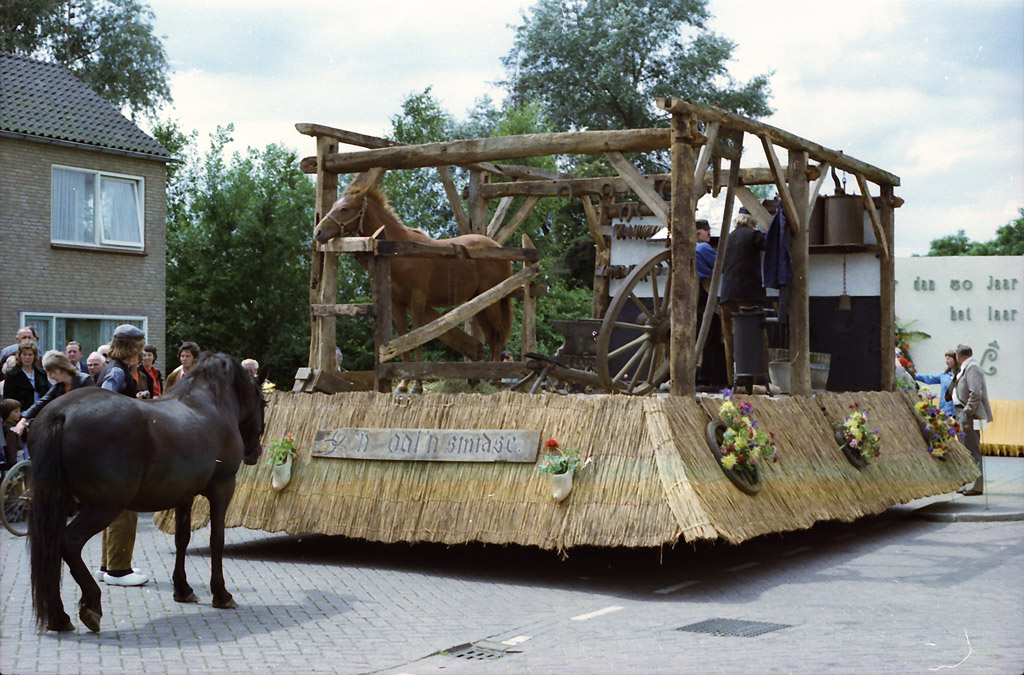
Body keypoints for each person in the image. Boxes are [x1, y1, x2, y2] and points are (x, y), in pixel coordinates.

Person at [94, 325, 151, 587]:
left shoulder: (118, 368)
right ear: (132, 348)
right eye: (140, 348)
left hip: (110, 450)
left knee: (113, 508)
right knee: (126, 508)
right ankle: (119, 570)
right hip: (118, 450)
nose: (142, 354)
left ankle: (108, 565)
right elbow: (106, 400)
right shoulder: (116, 371)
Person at [718, 207, 766, 387]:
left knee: (731, 340)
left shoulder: (728, 238)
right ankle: (758, 380)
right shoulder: (754, 235)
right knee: (756, 336)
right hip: (749, 295)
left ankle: (735, 382)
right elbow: (771, 244)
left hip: (727, 295)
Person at [948, 344, 994, 496]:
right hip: (962, 412)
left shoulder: (972, 367)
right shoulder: (966, 367)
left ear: (958, 355)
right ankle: (968, 482)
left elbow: (975, 393)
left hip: (968, 414)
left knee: (972, 449)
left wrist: (967, 411)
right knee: (965, 449)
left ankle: (976, 485)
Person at [12, 352, 94, 435]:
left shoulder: (85, 380)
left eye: (53, 372)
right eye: (49, 373)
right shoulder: (58, 386)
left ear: (63, 368)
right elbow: (42, 402)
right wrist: (23, 420)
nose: (51, 376)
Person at [4, 342, 49, 413]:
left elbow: (47, 394)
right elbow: (8, 400)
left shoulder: (41, 373)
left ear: (34, 356)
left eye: (30, 355)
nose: (27, 357)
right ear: (20, 356)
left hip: (41, 412)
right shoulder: (12, 375)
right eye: (24, 354)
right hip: (21, 413)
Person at [915, 350, 957, 416]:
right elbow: (929, 378)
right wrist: (914, 375)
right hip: (945, 411)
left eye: (949, 359)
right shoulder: (944, 376)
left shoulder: (961, 375)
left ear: (955, 359)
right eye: (946, 359)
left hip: (957, 411)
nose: (946, 361)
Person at [1, 399, 22, 471]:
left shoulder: (7, 425)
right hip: (14, 461)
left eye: (20, 411)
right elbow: (11, 447)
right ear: (7, 413)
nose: (19, 413)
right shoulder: (11, 429)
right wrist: (14, 464)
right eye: (16, 411)